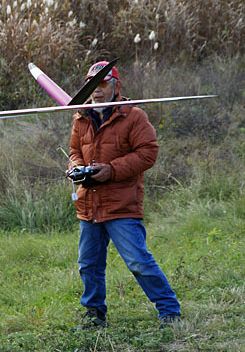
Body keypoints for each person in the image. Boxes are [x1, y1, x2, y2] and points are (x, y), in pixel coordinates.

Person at [67, 61, 181, 328]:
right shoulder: (80, 118)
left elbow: (148, 153)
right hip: (89, 204)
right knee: (89, 265)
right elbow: (74, 150)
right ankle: (94, 314)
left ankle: (169, 311)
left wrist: (111, 170)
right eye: (91, 85)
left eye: (102, 84)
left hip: (121, 204)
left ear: (115, 86)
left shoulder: (134, 116)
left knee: (138, 261)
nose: (96, 91)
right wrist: (74, 167)